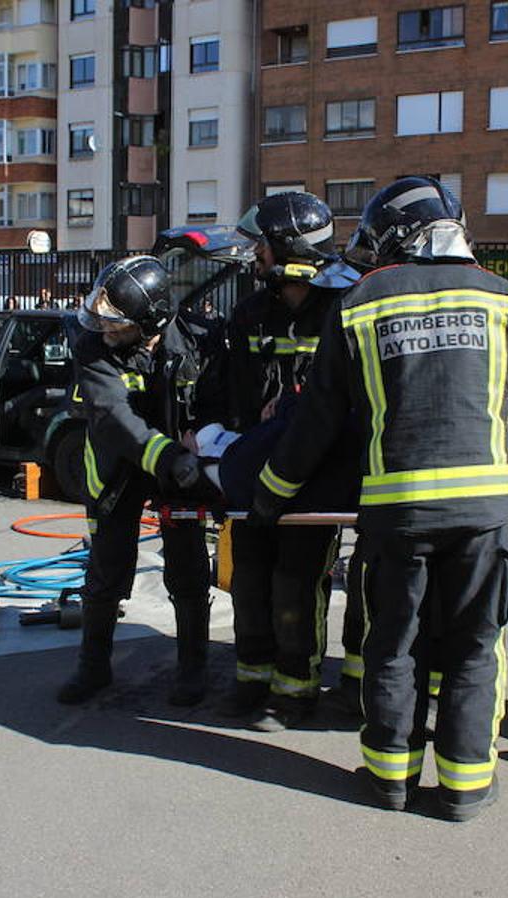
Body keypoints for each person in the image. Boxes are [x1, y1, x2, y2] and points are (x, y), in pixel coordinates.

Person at [249, 177, 508, 822]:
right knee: (474, 650)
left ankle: (388, 781)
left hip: (395, 516)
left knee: (393, 647)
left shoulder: (359, 303)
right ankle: (465, 788)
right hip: (481, 515)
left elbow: (313, 424)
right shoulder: (502, 298)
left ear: (399, 236)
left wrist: (269, 497)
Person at [57, 256, 225, 707]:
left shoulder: (197, 341)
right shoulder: (92, 348)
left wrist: (205, 433)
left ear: (149, 320)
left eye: (116, 323)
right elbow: (113, 416)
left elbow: (218, 397)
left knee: (187, 570)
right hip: (117, 470)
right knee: (106, 571)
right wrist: (168, 456)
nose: (104, 328)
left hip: (178, 472)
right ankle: (93, 669)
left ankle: (192, 670)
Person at [220, 191, 354, 731]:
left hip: (311, 475)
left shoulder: (342, 312)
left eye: (263, 248)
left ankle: (295, 691)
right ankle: (252, 677)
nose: (256, 257)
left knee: (296, 583)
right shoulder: (250, 313)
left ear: (289, 251)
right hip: (257, 472)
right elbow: (234, 394)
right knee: (249, 578)